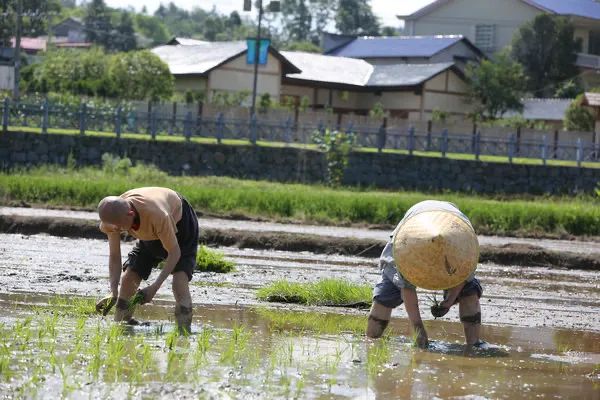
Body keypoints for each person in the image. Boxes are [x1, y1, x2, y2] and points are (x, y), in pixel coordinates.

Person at [366, 200, 483, 349]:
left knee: (469, 293)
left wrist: (449, 301)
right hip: (413, 232)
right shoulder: (406, 249)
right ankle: (371, 343)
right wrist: (418, 327)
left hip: (452, 232)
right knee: (385, 295)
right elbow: (406, 287)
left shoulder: (464, 245)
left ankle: (474, 345)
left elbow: (463, 275)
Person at [95, 187, 199, 333]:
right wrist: (113, 291)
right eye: (113, 227)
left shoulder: (157, 215)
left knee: (179, 284)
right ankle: (122, 329)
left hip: (180, 224)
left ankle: (183, 333)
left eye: (120, 227)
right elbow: (114, 256)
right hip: (148, 228)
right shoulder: (112, 219)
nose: (116, 229)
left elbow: (174, 253)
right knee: (128, 280)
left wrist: (154, 288)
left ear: (130, 214)